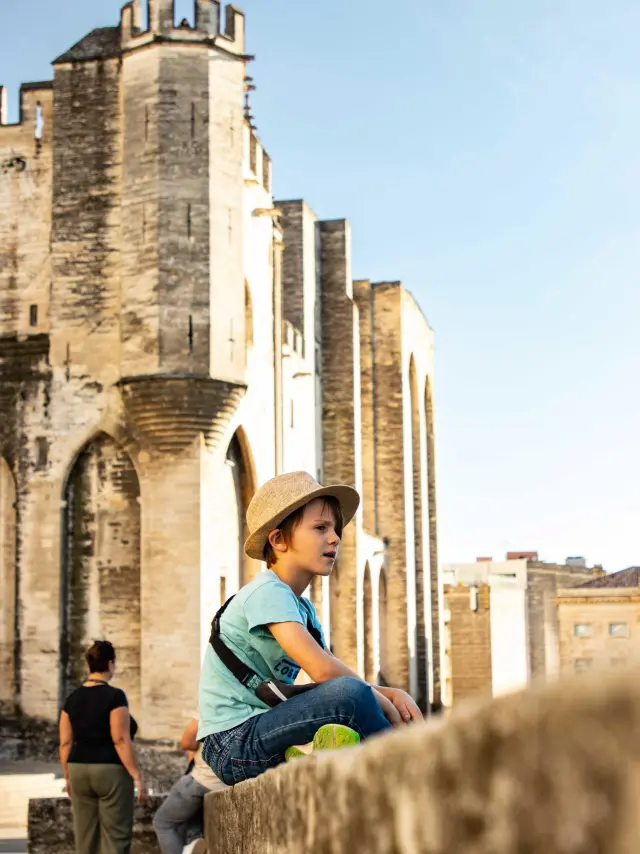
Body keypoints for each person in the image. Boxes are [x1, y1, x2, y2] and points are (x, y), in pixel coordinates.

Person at [198, 471, 423, 786]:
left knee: (350, 697)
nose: (335, 538)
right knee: (350, 694)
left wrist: (389, 693)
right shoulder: (267, 591)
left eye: (335, 529)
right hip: (233, 743)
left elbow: (332, 677)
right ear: (278, 540)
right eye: (320, 528)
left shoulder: (302, 609)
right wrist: (383, 699)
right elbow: (324, 673)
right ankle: (411, 773)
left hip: (263, 732)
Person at [59, 640, 146, 854]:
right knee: (115, 838)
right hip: (110, 770)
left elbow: (65, 742)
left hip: (78, 768)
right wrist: (136, 775)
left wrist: (67, 776)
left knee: (85, 838)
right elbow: (120, 738)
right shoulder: (115, 696)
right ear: (110, 664)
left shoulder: (72, 699)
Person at [153, 715, 229, 854]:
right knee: (188, 825)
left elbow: (187, 743)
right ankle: (193, 841)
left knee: (163, 823)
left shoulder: (211, 702)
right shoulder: (253, 704)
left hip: (203, 779)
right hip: (225, 781)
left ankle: (191, 842)